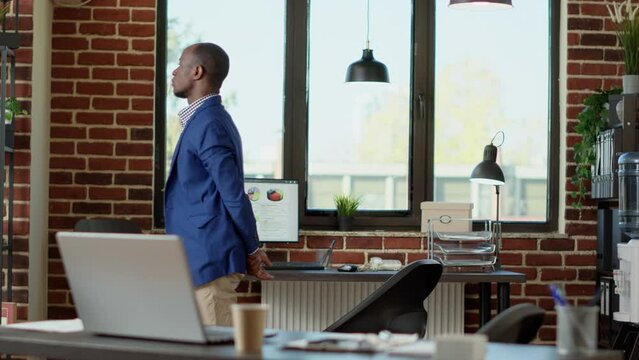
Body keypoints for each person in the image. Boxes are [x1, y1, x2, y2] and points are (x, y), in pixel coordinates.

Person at [164, 42, 273, 326]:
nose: (174, 72)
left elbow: (234, 194)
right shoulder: (202, 121)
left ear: (197, 72)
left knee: (214, 352)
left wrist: (252, 249)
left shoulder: (209, 123)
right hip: (197, 261)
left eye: (180, 64)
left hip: (210, 262)